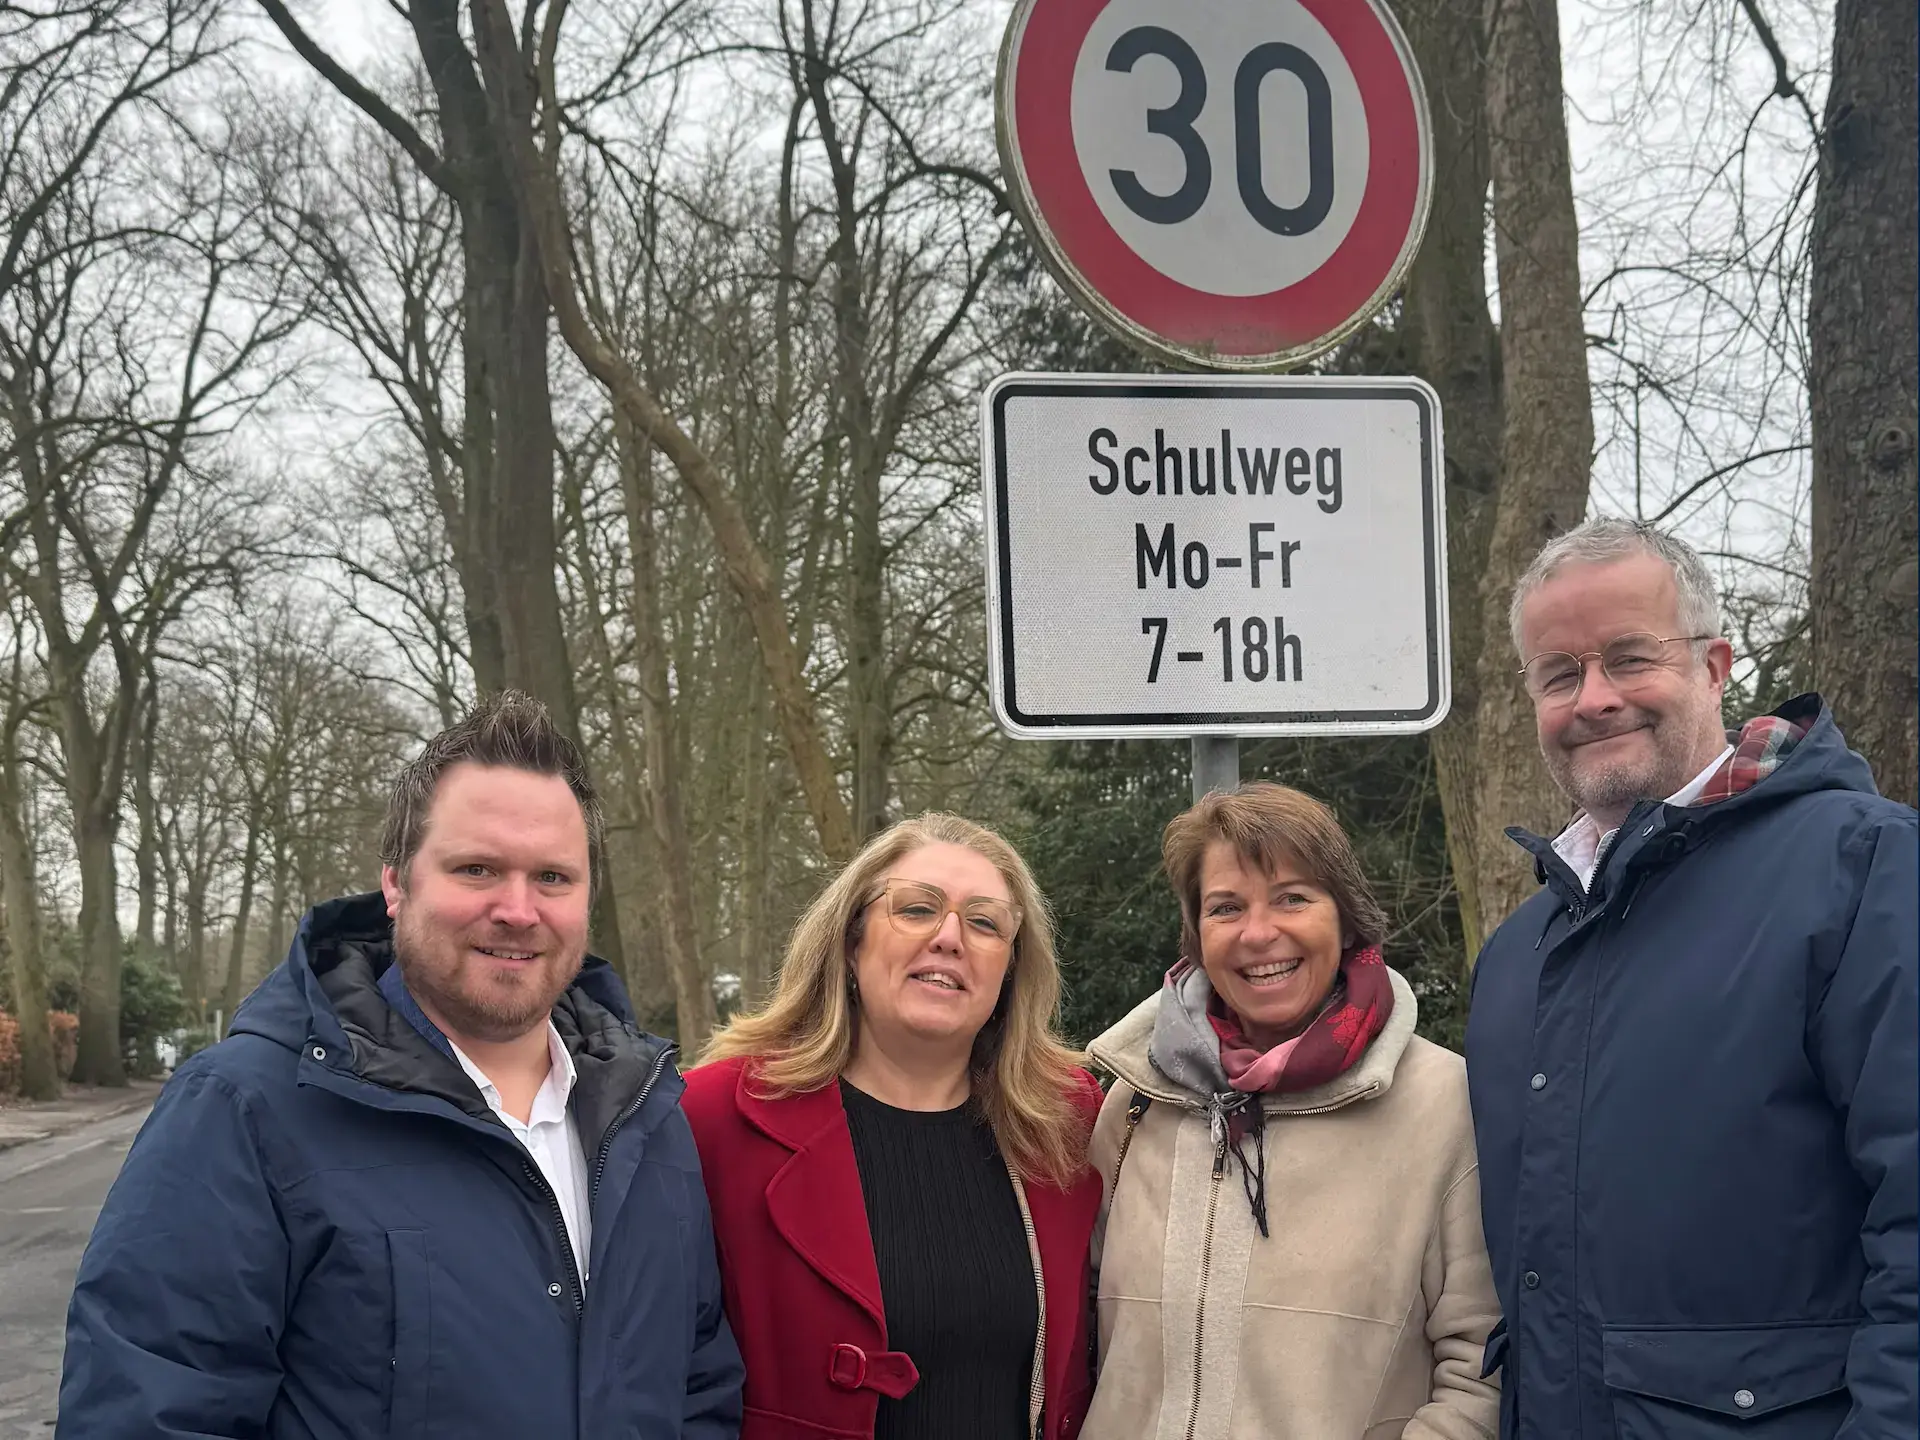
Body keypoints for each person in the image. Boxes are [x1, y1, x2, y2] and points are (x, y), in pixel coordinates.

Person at [58, 690, 743, 1439]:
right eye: (477, 869)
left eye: (553, 877)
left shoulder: (649, 1118)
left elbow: (700, 1387)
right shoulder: (244, 1111)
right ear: (396, 882)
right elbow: (151, 1412)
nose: (519, 910)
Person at [1467, 517, 1917, 1439]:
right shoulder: (1518, 955)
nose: (1594, 699)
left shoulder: (1862, 870)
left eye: (1630, 658)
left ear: (1714, 668)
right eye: (1559, 674)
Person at [1084, 782, 1500, 1440]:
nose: (1258, 933)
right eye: (1226, 907)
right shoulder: (1135, 1103)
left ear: (1346, 919)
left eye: (1293, 898)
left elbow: (1481, 1366)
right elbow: (1078, 1339)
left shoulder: (1443, 1100)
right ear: (1196, 936)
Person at [680, 813, 1102, 1440]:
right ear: (851, 941)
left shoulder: (1066, 1125)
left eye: (985, 923)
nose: (949, 938)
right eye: (917, 909)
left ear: (1011, 969)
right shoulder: (715, 1116)